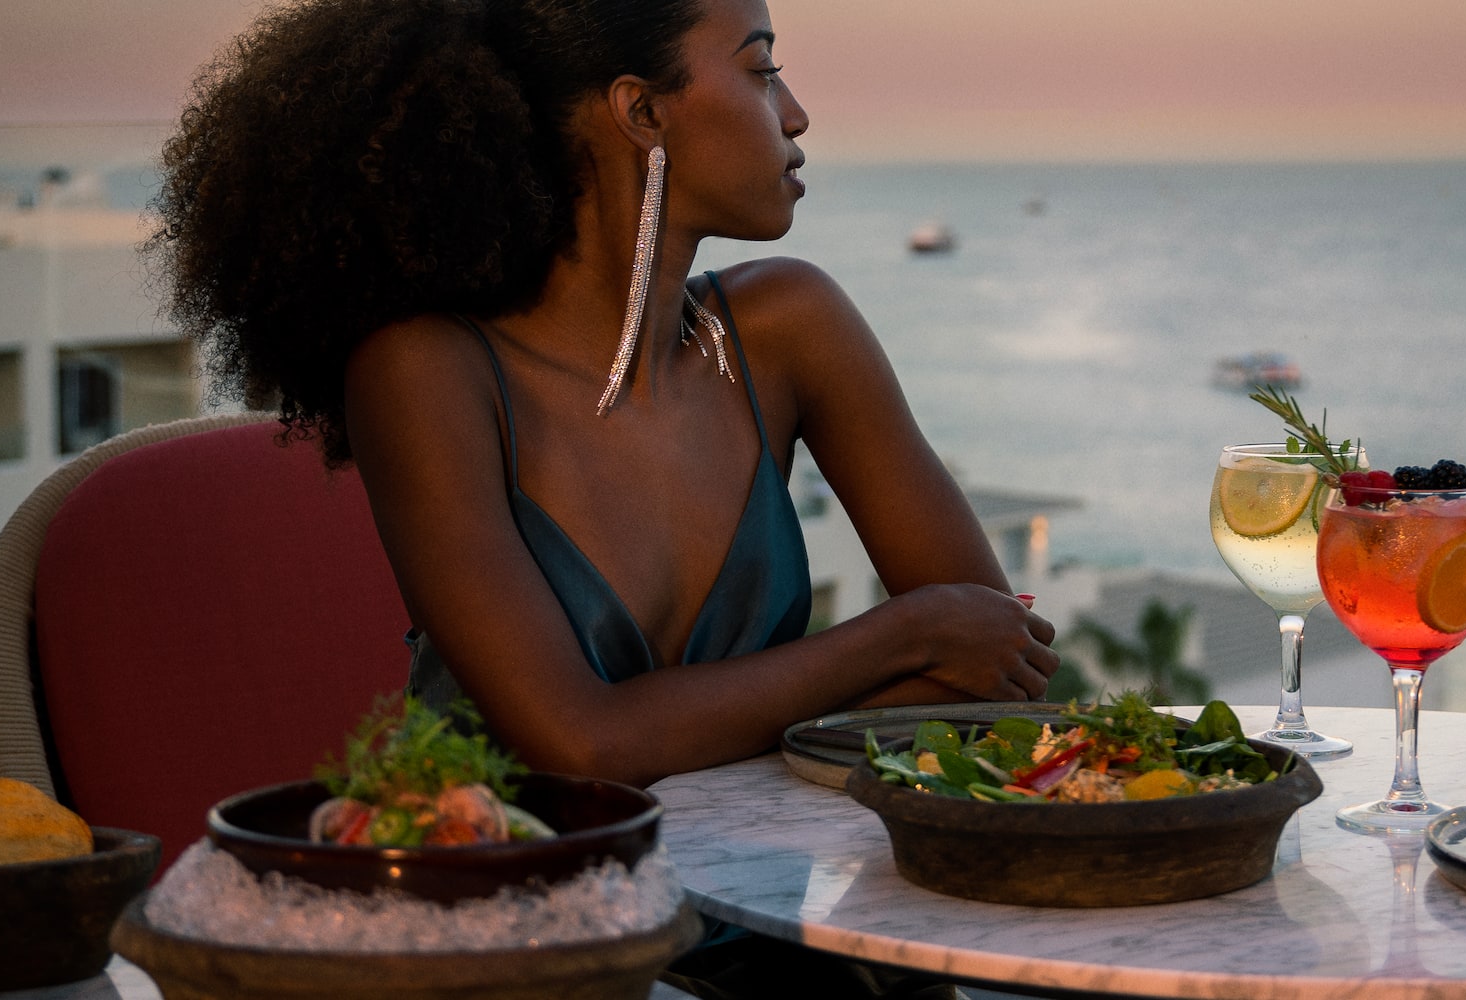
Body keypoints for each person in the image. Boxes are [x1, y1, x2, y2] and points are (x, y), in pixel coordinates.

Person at [148, 0, 1059, 793]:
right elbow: (578, 747)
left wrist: (673, 729)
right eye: (761, 69)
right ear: (641, 112)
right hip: (532, 927)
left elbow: (1001, 666)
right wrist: (903, 637)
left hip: (771, 907)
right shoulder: (427, 374)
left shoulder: (791, 331)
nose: (795, 112)